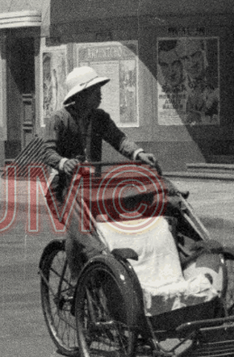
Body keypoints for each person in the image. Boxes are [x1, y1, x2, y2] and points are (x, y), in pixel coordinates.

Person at [41, 65, 159, 270]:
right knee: (79, 231)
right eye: (96, 92)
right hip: (62, 189)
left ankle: (98, 275)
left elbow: (119, 139)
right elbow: (47, 151)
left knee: (104, 229)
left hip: (91, 188)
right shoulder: (59, 120)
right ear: (81, 94)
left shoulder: (100, 118)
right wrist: (63, 162)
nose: (100, 96)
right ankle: (79, 283)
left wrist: (138, 154)